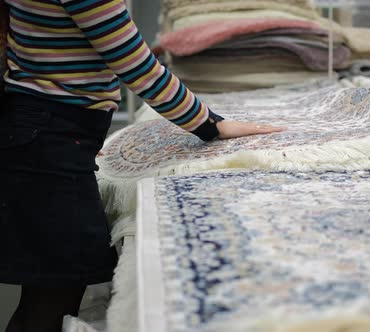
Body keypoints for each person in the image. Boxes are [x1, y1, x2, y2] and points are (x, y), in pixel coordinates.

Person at [0, 1, 283, 331]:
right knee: (54, 292)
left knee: (52, 288)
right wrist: (209, 124)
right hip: (49, 133)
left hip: (45, 129)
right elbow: (132, 62)